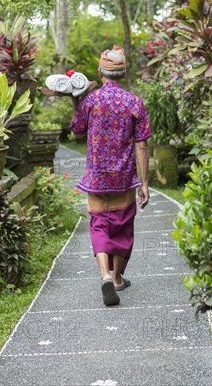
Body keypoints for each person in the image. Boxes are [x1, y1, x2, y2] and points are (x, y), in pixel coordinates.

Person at [69, 45, 152, 306]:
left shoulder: (91, 100)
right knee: (122, 226)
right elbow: (142, 145)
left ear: (100, 72)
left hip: (96, 177)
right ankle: (117, 278)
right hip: (124, 178)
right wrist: (145, 184)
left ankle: (104, 275)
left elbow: (76, 131)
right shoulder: (134, 102)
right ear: (123, 74)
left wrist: (75, 101)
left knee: (99, 225)